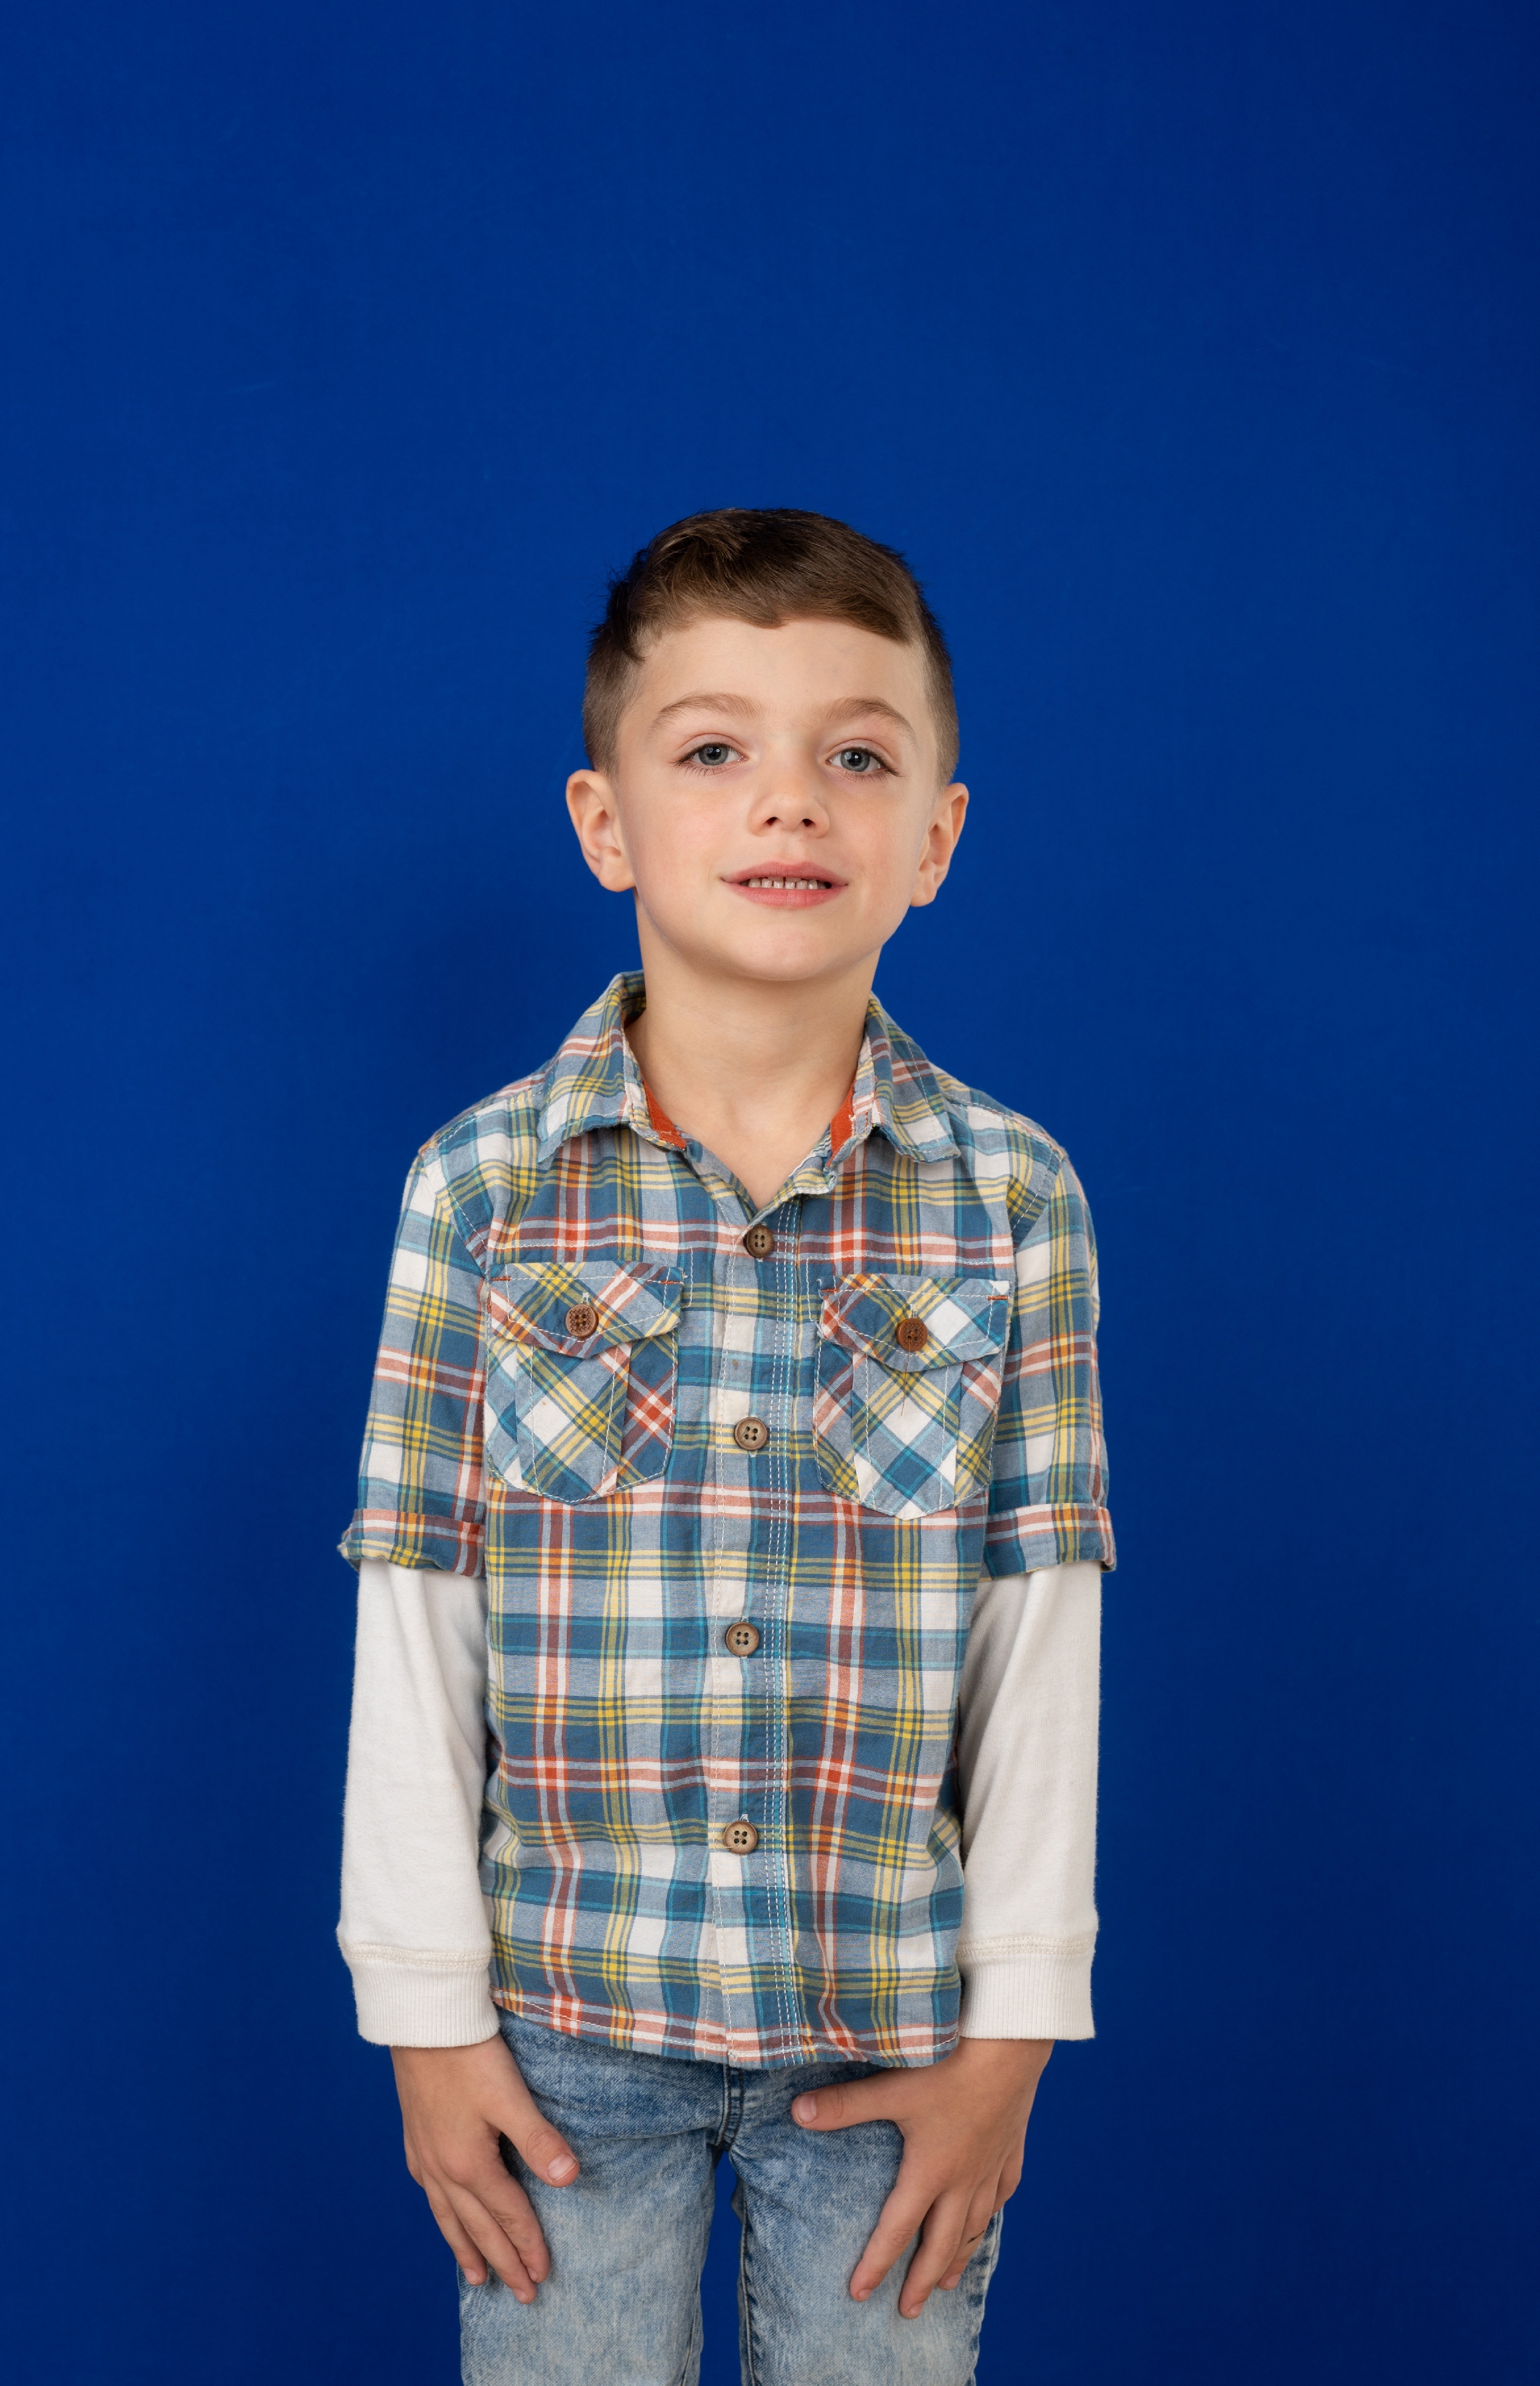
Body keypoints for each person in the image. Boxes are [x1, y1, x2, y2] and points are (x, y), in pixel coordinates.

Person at [337, 508, 1113, 2386]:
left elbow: (1041, 1627)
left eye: (858, 756)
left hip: (893, 2027)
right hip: (562, 2024)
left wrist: (1015, 2033)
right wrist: (424, 2015)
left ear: (936, 835)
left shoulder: (1013, 1198)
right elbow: (419, 1610)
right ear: (606, 821)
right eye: (713, 750)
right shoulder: (482, 1188)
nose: (790, 802)